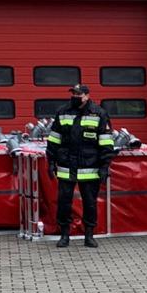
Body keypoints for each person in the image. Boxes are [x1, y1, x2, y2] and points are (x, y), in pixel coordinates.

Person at [47, 83, 114, 248]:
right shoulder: (62, 112)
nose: (75, 97)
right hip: (66, 165)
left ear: (87, 96)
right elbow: (54, 139)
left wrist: (105, 165)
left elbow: (106, 142)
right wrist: (50, 161)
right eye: (73, 94)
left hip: (90, 166)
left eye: (79, 95)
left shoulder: (99, 113)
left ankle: (89, 235)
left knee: (90, 203)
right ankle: (64, 235)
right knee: (64, 203)